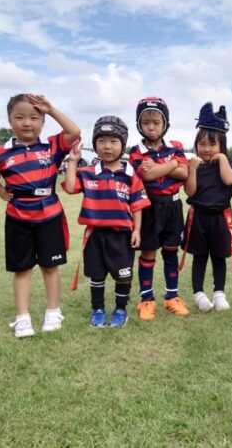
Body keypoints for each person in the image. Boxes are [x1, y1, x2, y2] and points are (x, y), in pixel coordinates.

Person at [0, 94, 81, 338]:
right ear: (10, 120)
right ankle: (22, 318)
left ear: (42, 122)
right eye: (19, 117)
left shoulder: (51, 146)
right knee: (22, 269)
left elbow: (74, 131)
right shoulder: (1, 152)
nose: (27, 123)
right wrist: (0, 191)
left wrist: (51, 109)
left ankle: (53, 311)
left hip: (49, 214)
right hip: (18, 216)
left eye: (34, 117)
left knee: (50, 266)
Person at [63, 116, 150, 327]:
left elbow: (137, 205)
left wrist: (137, 230)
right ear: (95, 145)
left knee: (123, 275)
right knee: (97, 275)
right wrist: (73, 162)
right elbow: (70, 187)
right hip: (95, 234)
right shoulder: (88, 172)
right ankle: (98, 310)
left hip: (122, 235)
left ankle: (120, 310)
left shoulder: (130, 174)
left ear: (122, 144)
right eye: (101, 141)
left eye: (113, 141)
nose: (107, 146)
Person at [128, 97, 190, 320]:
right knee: (148, 251)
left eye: (156, 122)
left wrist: (161, 166)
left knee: (171, 250)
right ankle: (146, 299)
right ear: (139, 125)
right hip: (149, 207)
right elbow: (147, 175)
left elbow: (184, 173)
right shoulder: (136, 151)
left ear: (165, 124)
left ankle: (172, 297)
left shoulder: (176, 146)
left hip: (173, 206)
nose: (151, 127)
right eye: (146, 123)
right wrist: (172, 164)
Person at [182, 102, 232, 312]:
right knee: (199, 257)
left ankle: (219, 294)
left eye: (212, 144)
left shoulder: (229, 163)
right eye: (202, 144)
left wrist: (222, 158)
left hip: (220, 218)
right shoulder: (195, 166)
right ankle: (198, 294)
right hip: (198, 218)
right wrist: (192, 169)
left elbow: (229, 180)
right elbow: (190, 192)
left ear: (222, 146)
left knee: (218, 257)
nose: (206, 149)